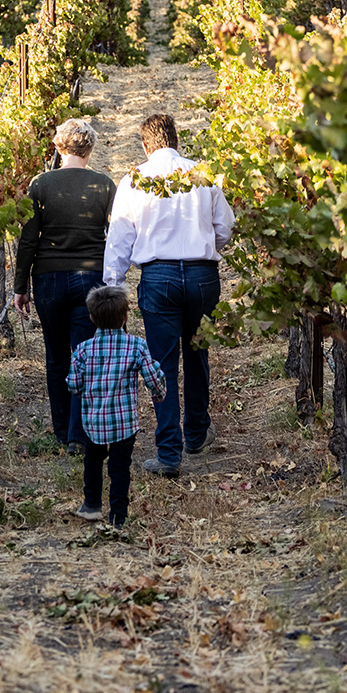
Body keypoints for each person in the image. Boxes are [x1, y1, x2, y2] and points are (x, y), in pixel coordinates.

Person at [103, 113, 235, 477]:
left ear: (145, 145)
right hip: (201, 275)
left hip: (158, 277)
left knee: (161, 365)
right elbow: (225, 226)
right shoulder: (202, 174)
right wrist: (206, 243)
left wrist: (113, 288)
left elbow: (119, 240)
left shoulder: (134, 179)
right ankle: (195, 433)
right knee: (198, 353)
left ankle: (168, 453)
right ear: (176, 140)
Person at [14, 119, 116, 452]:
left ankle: (60, 431)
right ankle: (78, 435)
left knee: (56, 357)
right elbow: (114, 237)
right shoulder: (104, 185)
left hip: (48, 280)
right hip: (91, 278)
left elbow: (29, 240)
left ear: (59, 147)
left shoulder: (41, 184)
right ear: (90, 148)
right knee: (84, 356)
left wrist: (20, 286)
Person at [66, 284, 166, 526]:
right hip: (124, 422)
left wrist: (83, 389)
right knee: (120, 468)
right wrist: (159, 392)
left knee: (92, 461)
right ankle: (118, 516)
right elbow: (153, 377)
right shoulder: (136, 346)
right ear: (125, 316)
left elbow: (73, 384)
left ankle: (91, 505)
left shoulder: (83, 349)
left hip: (93, 422)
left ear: (91, 317)